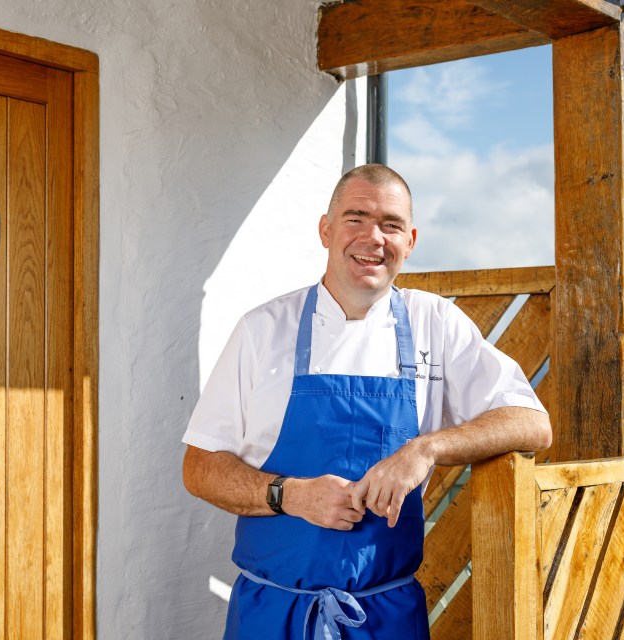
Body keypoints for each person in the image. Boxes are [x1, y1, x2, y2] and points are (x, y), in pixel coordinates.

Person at [182, 164, 551, 639]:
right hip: (272, 614)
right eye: (356, 218)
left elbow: (531, 422)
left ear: (410, 240)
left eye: (391, 224)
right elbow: (198, 467)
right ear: (326, 229)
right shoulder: (262, 329)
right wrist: (289, 495)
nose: (373, 237)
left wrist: (424, 450)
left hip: (386, 618)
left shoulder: (435, 323)